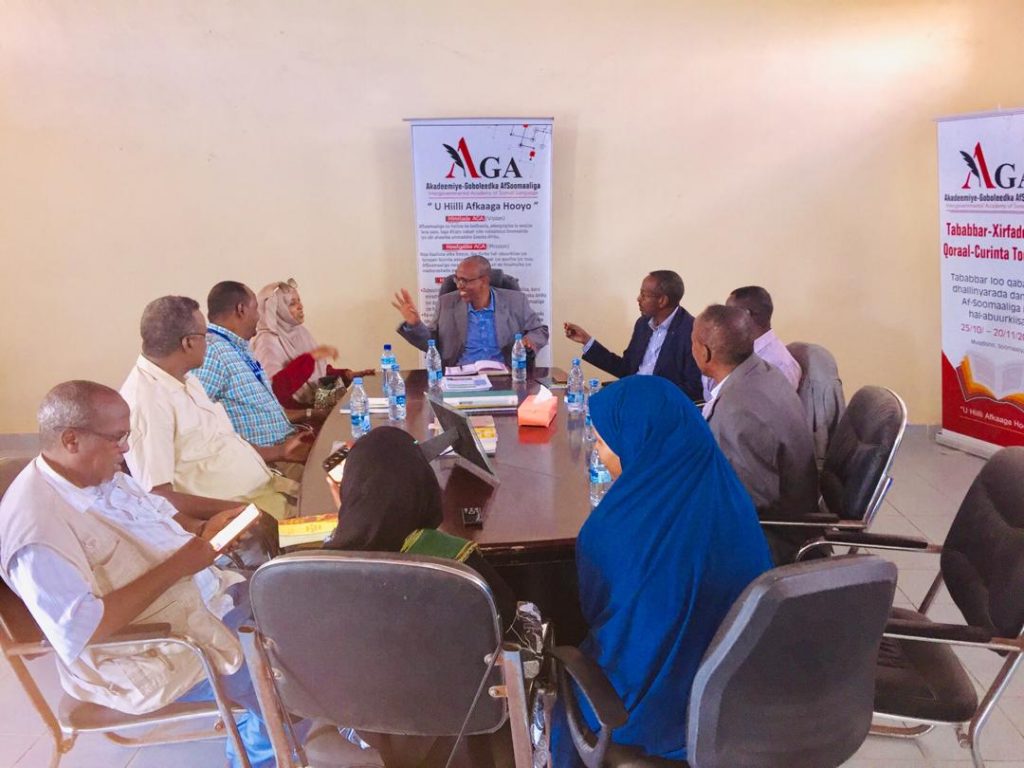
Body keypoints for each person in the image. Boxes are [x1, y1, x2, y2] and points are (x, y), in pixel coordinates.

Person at [0, 381, 280, 768]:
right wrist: (182, 564)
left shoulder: (96, 475)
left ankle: (266, 731)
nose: (126, 448)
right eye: (117, 438)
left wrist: (205, 531)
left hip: (205, 599)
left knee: (296, 600)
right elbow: (84, 629)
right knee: (286, 675)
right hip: (152, 653)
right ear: (71, 440)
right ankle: (265, 756)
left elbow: (158, 518)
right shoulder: (37, 533)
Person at [552, 376, 773, 764]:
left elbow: (594, 613)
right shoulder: (733, 500)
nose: (599, 456)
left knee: (561, 655)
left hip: (644, 712)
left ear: (635, 445)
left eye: (602, 444)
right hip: (736, 701)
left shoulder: (612, 530)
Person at [121, 295, 310, 521]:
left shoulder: (187, 379)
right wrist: (244, 514)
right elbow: (158, 496)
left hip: (267, 489)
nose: (209, 342)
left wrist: (280, 452)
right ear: (188, 343)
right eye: (205, 336)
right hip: (247, 515)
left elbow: (221, 443)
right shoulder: (147, 401)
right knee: (339, 523)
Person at [322, 426, 515, 626]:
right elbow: (506, 613)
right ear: (425, 486)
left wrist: (347, 520)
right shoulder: (455, 561)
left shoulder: (322, 566)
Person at [692, 304, 819, 564]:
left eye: (692, 342)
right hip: (787, 510)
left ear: (705, 352)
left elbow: (745, 504)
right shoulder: (762, 372)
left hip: (767, 540)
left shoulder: (739, 411)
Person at [563, 270, 702, 401]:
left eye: (644, 295)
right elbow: (626, 369)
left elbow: (694, 388)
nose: (638, 299)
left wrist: (651, 395)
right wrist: (587, 340)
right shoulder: (643, 324)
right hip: (632, 398)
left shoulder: (692, 331)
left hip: (661, 407)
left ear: (662, 301)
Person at [196, 280, 304, 448]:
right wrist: (278, 452)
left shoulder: (238, 346)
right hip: (267, 458)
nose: (259, 316)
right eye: (256, 309)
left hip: (287, 444)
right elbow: (198, 426)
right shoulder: (212, 352)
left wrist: (310, 415)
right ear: (241, 310)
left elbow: (266, 411)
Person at [391, 255, 549, 368]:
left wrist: (530, 340)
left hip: (506, 374)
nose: (459, 285)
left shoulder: (515, 301)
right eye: (457, 279)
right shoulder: (447, 303)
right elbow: (432, 344)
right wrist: (415, 324)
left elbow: (540, 331)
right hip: (459, 375)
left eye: (465, 281)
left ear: (484, 281)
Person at [251, 279, 373, 409]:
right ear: (276, 309)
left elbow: (317, 374)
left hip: (315, 410)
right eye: (292, 303)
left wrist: (347, 375)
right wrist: (311, 357)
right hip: (293, 417)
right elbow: (276, 390)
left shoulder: (300, 332)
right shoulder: (266, 342)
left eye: (299, 301)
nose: (300, 306)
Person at [727, 285, 801, 389]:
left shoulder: (781, 365)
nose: (725, 320)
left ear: (746, 315)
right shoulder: (740, 351)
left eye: (729, 313)